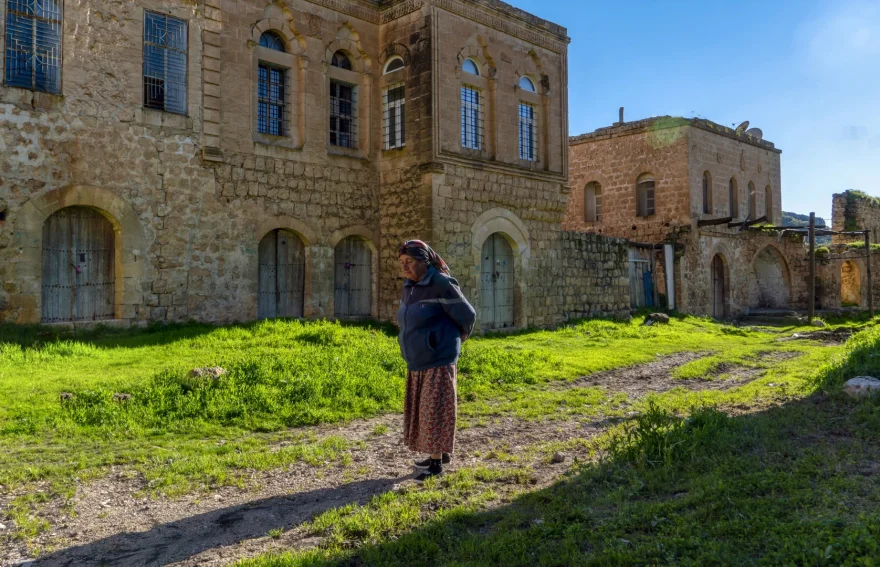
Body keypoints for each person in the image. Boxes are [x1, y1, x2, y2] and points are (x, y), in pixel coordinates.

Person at [397, 240, 476, 481]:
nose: (405, 267)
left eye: (409, 262)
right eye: (402, 263)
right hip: (418, 359)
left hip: (438, 358)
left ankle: (435, 464)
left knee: (435, 411)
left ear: (423, 261)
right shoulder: (410, 286)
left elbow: (467, 316)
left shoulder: (441, 284)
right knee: (424, 410)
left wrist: (451, 340)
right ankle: (438, 454)